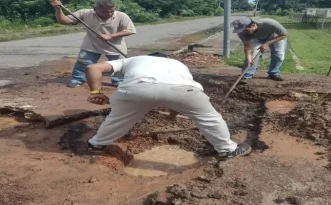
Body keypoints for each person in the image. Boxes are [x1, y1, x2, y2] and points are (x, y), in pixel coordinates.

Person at [84, 52, 252, 160]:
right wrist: (173, 115)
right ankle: (228, 150)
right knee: (211, 119)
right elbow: (173, 95)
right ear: (166, 59)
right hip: (183, 91)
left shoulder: (133, 59)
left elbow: (93, 68)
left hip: (136, 89)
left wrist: (95, 92)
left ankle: (96, 144)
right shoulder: (178, 65)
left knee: (117, 120)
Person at [50, 0, 136, 88]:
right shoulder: (85, 13)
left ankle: (119, 81)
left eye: (111, 11)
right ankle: (78, 79)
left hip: (115, 46)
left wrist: (111, 35)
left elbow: (130, 30)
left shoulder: (121, 16)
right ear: (95, 9)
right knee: (83, 62)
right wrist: (58, 9)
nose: (109, 14)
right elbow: (64, 21)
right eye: (104, 12)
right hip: (91, 45)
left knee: (118, 65)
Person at [232, 17, 288, 82]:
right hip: (256, 39)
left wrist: (267, 43)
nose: (243, 32)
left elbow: (284, 34)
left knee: (279, 55)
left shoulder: (270, 24)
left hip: (275, 36)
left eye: (245, 30)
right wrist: (249, 59)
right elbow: (247, 47)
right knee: (251, 57)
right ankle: (247, 75)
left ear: (253, 25)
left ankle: (274, 73)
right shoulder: (241, 32)